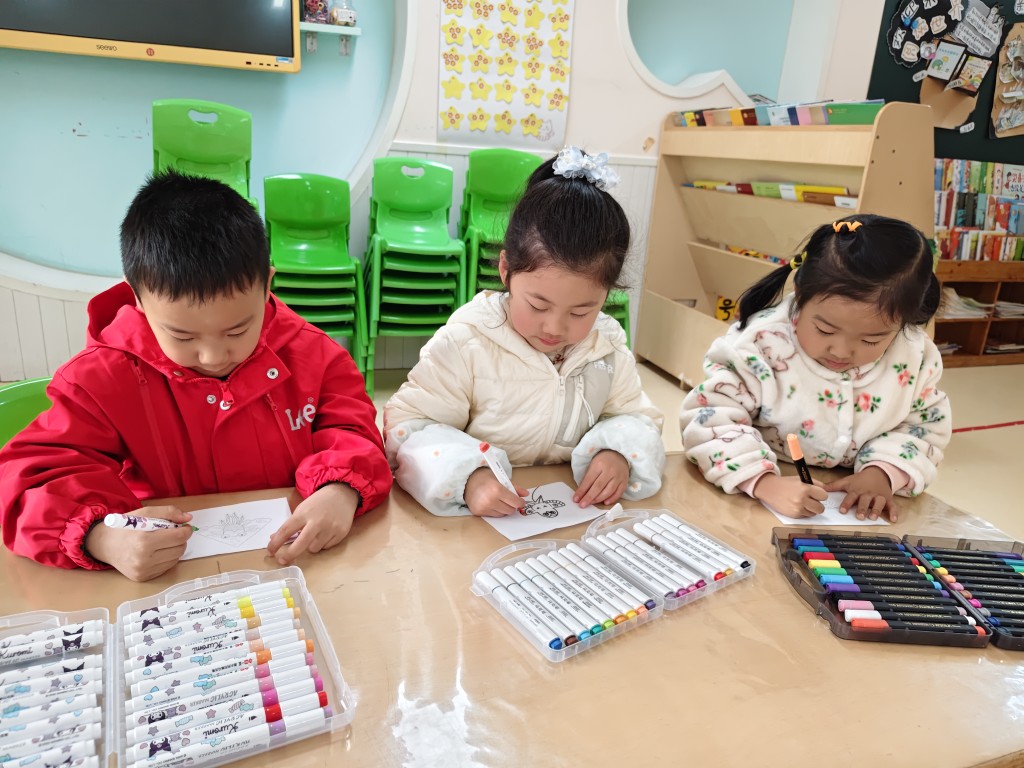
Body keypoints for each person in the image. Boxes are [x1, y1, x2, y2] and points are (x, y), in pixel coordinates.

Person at [0, 170, 391, 579]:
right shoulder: (102, 379)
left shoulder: (315, 356)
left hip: (291, 565)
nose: (213, 355)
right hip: (168, 575)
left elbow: (352, 429)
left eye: (238, 330)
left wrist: (340, 490)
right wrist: (100, 537)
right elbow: (29, 482)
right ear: (138, 298)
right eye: (182, 336)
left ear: (266, 285)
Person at [384, 147, 665, 517]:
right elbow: (410, 429)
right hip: (478, 520)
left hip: (571, 520)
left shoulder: (606, 346)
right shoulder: (467, 341)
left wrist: (619, 453)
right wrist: (466, 477)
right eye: (538, 305)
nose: (555, 327)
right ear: (506, 271)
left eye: (581, 311)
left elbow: (637, 418)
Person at [680, 215, 951, 522]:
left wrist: (882, 473)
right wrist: (764, 483)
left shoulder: (914, 354)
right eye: (824, 330)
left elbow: (923, 427)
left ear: (904, 321)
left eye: (870, 340)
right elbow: (709, 419)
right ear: (800, 293)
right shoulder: (760, 344)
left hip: (846, 506)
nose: (841, 351)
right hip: (756, 489)